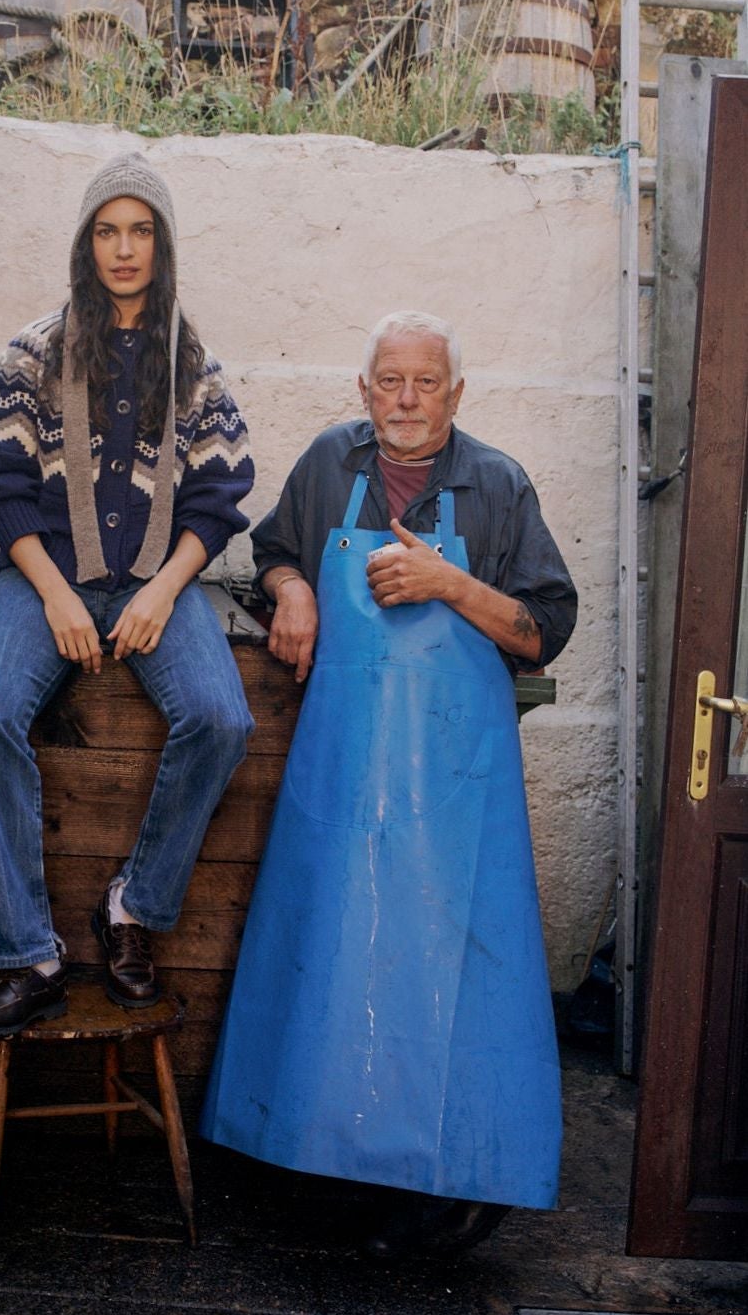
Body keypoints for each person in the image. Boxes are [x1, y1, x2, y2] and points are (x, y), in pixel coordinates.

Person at [201, 310, 577, 1259]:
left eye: (425, 383)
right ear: (362, 391)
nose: (405, 400)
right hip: (343, 772)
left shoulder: (495, 485)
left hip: (454, 788)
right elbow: (273, 548)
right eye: (389, 382)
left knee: (450, 980)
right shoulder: (332, 461)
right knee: (328, 956)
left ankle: (455, 1188)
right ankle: (310, 1165)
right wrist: (290, 589)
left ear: (456, 393)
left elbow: (543, 629)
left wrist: (449, 584)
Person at [0, 153, 256, 1032]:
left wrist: (161, 590)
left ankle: (132, 908)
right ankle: (26, 953)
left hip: (155, 576)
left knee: (223, 719)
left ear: (162, 246)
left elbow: (219, 492)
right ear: (87, 244)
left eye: (141, 230)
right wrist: (52, 594)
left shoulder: (193, 362)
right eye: (107, 230)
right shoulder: (35, 350)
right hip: (45, 573)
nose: (124, 249)